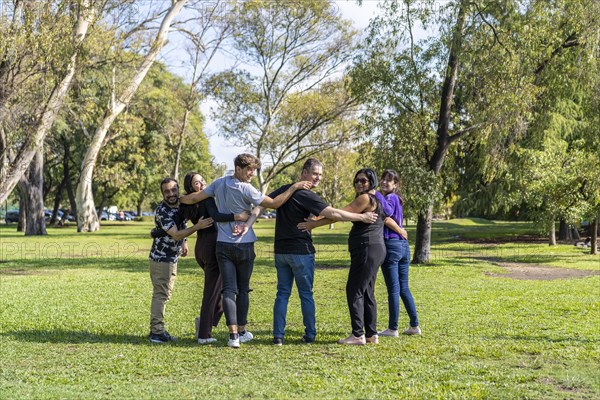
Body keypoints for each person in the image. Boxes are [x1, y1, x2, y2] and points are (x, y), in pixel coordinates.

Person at [180, 153, 312, 348]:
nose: (252, 173)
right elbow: (274, 203)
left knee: (228, 290)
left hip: (223, 244)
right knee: (241, 290)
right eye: (249, 169)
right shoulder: (247, 189)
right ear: (238, 168)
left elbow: (194, 198)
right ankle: (239, 333)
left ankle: (233, 336)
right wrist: (294, 186)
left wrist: (178, 199)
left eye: (254, 170)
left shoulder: (219, 183)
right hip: (244, 244)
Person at [261, 159, 378, 345]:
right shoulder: (306, 195)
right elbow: (335, 214)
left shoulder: (284, 189)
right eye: (315, 173)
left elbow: (264, 202)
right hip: (301, 251)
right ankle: (310, 335)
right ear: (304, 172)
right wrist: (361, 216)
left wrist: (247, 220)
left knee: (282, 293)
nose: (318, 178)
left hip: (281, 251)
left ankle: (278, 336)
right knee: (305, 293)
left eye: (321, 175)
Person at [151, 172, 249, 344]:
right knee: (212, 292)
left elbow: (178, 222)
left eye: (203, 180)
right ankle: (201, 333)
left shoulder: (185, 202)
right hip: (194, 250)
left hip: (197, 249)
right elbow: (213, 218)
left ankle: (206, 323)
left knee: (219, 291)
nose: (202, 184)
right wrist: (238, 216)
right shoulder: (204, 199)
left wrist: (162, 234)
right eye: (197, 182)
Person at [299, 168, 389, 345]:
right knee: (367, 291)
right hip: (375, 248)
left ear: (371, 181)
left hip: (367, 248)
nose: (358, 184)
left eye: (362, 181)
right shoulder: (377, 198)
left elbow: (338, 215)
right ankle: (371, 334)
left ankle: (357, 335)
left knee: (354, 290)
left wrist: (313, 224)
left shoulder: (365, 198)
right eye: (356, 181)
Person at [148, 177, 214, 344]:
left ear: (178, 189)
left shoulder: (181, 205)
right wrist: (197, 227)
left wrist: (184, 242)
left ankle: (158, 330)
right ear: (162, 193)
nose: (171, 194)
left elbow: (181, 229)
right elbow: (176, 233)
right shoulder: (162, 211)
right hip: (161, 258)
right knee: (161, 294)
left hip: (171, 257)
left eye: (173, 190)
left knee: (165, 293)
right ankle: (156, 332)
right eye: (167, 191)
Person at [375, 169, 420, 336]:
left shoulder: (389, 197)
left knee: (394, 289)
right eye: (383, 179)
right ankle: (414, 326)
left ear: (396, 185)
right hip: (402, 246)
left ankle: (393, 328)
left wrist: (375, 193)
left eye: (389, 180)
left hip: (392, 245)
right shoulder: (397, 199)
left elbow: (386, 214)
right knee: (403, 288)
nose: (385, 182)